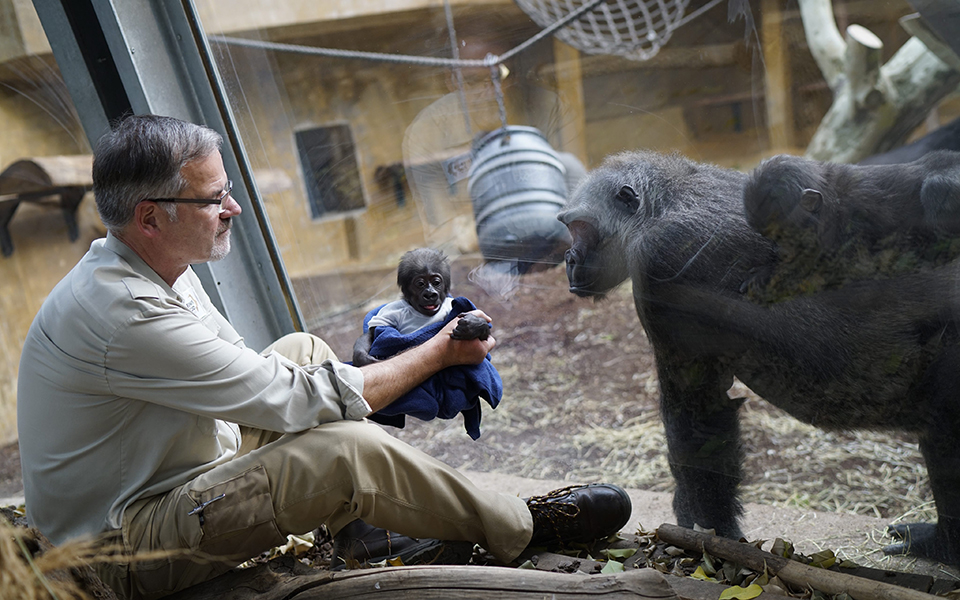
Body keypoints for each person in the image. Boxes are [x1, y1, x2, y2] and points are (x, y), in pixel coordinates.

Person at [16, 114, 631, 600]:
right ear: (150, 217)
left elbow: (271, 378)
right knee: (343, 449)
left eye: (227, 190)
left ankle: (368, 535)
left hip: (162, 479)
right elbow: (297, 399)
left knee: (304, 349)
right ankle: (521, 525)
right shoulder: (125, 311)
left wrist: (369, 374)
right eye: (214, 198)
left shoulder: (155, 267)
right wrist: (438, 353)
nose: (233, 208)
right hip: (120, 554)